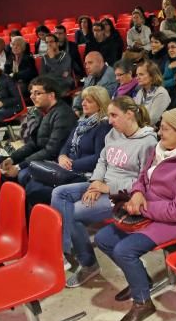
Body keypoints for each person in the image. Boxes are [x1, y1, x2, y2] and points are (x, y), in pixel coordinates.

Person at [94, 104, 176, 321]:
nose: (159, 132)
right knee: (103, 239)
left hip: (175, 221)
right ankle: (141, 280)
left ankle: (143, 302)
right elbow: (142, 178)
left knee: (124, 250)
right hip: (148, 209)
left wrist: (141, 208)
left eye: (165, 129)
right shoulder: (161, 149)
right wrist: (137, 193)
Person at [54, 97, 158, 287]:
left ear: (129, 114)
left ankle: (87, 263)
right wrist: (96, 182)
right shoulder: (113, 133)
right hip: (102, 184)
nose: (109, 120)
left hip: (122, 195)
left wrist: (107, 188)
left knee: (73, 213)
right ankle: (66, 247)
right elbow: (102, 160)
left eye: (113, 115)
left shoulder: (148, 142)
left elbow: (144, 182)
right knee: (60, 193)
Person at [21, 86, 111, 213]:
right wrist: (62, 156)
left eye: (89, 101)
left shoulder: (103, 126)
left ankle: (52, 224)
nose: (83, 103)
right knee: (31, 182)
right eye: (83, 100)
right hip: (67, 167)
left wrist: (71, 165)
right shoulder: (81, 123)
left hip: (83, 173)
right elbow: (66, 145)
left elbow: (98, 157)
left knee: (38, 190)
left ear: (101, 104)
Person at [0, 76, 76, 180]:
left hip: (55, 160)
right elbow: (33, 143)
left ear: (51, 95)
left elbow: (52, 151)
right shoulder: (41, 111)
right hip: (40, 156)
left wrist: (19, 166)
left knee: (22, 175)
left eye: (37, 93)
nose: (32, 97)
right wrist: (12, 159)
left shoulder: (63, 114)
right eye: (31, 93)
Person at [131, 60, 171, 127]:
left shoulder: (161, 93)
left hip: (154, 131)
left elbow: (151, 120)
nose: (137, 78)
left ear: (152, 76)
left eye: (141, 74)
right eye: (137, 75)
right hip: (138, 128)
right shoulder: (140, 92)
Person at [39, 31, 75, 97]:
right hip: (50, 83)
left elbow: (63, 74)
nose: (49, 44)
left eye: (51, 42)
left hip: (64, 82)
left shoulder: (65, 55)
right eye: (47, 42)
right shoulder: (44, 58)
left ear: (57, 43)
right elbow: (42, 75)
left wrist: (52, 58)